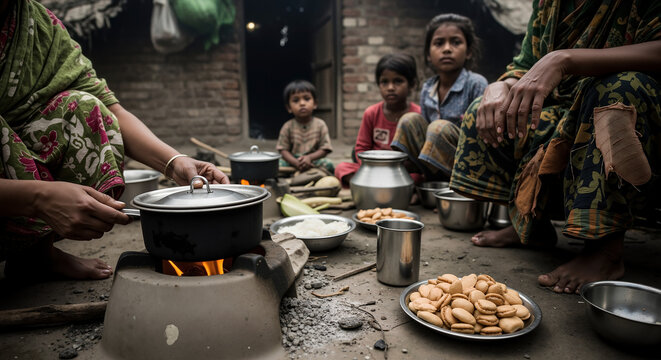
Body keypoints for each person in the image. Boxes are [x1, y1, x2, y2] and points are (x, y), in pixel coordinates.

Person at [0, 0, 229, 281]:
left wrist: (173, 162)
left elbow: (110, 107)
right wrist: (38, 198)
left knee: (86, 107)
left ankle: (35, 257)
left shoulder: (35, 23)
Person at [450, 0, 661, 294]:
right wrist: (501, 84)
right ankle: (529, 224)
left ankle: (606, 250)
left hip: (631, 101)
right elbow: (525, 64)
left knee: (618, 91)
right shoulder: (548, 3)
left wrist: (565, 60)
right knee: (489, 110)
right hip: (563, 106)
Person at [391, 13, 487, 181]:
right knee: (409, 120)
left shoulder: (476, 84)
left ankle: (459, 188)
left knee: (438, 128)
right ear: (428, 54)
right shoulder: (428, 87)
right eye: (439, 43)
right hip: (432, 166)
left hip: (469, 168)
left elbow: (483, 139)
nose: (447, 49)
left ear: (469, 52)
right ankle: (425, 182)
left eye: (456, 42)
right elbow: (423, 136)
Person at [334, 53, 421, 186]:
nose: (390, 87)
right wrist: (371, 168)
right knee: (342, 168)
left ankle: (374, 187)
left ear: (411, 84)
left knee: (418, 178)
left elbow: (420, 156)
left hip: (402, 171)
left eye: (398, 81)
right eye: (384, 82)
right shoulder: (371, 113)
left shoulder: (417, 115)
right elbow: (361, 148)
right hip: (373, 169)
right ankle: (388, 188)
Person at [276, 80, 334, 173]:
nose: (302, 103)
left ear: (315, 104)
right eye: (296, 100)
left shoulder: (320, 124)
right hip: (293, 161)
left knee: (328, 164)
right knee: (277, 165)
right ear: (289, 108)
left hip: (313, 160)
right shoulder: (287, 126)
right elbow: (283, 150)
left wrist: (309, 158)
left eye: (307, 99)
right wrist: (296, 162)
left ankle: (304, 173)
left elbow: (325, 149)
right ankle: (301, 172)